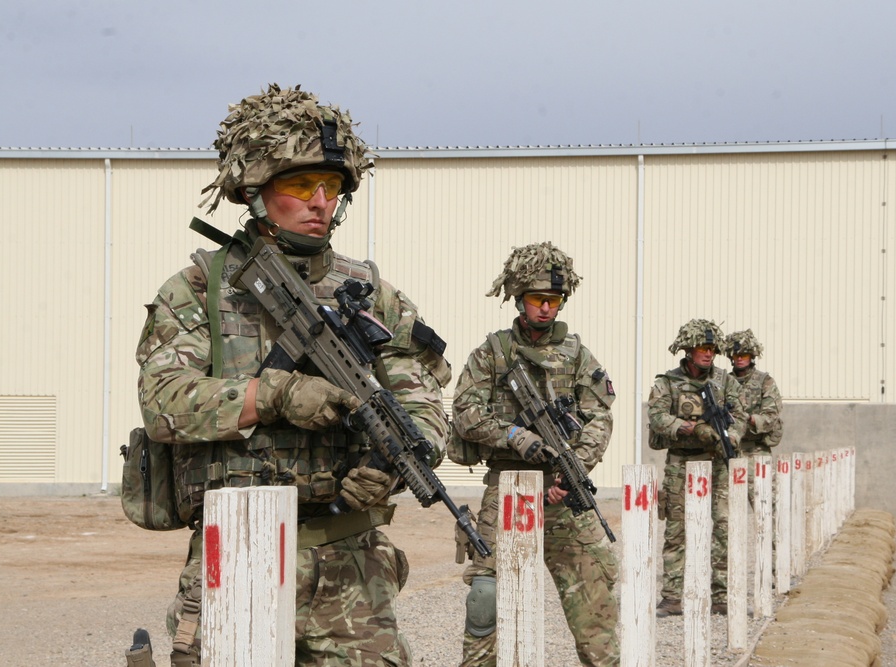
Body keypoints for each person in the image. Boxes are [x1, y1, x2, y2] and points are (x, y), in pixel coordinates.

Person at [136, 84, 452, 666]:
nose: (319, 201)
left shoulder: (374, 297)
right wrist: (278, 394)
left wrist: (390, 467)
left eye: (330, 187)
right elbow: (164, 402)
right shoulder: (198, 290)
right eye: (300, 185)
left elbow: (425, 402)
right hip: (236, 554)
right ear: (255, 193)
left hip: (351, 569)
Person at [451, 242, 619, 667]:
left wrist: (572, 470)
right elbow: (465, 410)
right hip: (507, 490)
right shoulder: (493, 352)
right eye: (536, 299)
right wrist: (513, 436)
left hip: (563, 492)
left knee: (595, 593)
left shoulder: (578, 356)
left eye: (553, 300)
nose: (545, 309)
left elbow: (600, 418)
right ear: (518, 298)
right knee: (486, 596)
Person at [646, 319, 747, 617]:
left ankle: (721, 595)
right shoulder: (668, 382)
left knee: (722, 526)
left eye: (713, 349)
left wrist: (732, 435)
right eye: (703, 348)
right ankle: (673, 597)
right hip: (681, 462)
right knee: (676, 528)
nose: (709, 354)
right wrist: (690, 428)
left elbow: (740, 415)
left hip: (716, 461)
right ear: (688, 350)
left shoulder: (725, 381)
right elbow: (657, 417)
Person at [725, 329, 783, 461]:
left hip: (756, 450)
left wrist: (748, 419)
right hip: (729, 448)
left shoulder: (765, 381)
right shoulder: (725, 381)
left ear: (752, 357)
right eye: (736, 355)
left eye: (744, 355)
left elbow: (771, 417)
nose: (739, 359)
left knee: (757, 482)